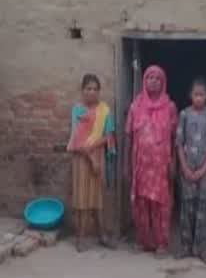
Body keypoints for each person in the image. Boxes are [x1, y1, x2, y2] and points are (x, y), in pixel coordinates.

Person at [126, 65, 178, 258]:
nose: (153, 81)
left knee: (160, 205)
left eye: (157, 78)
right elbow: (129, 137)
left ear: (163, 82)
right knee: (140, 204)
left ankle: (161, 244)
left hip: (160, 166)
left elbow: (174, 138)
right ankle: (143, 241)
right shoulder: (136, 105)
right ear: (144, 81)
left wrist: (173, 163)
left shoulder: (170, 107)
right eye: (150, 78)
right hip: (140, 165)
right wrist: (126, 166)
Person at [67, 74, 116, 252]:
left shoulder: (105, 110)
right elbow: (76, 139)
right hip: (81, 158)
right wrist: (91, 157)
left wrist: (95, 147)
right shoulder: (77, 110)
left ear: (99, 91)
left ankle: (102, 235)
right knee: (81, 199)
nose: (92, 92)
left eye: (95, 89)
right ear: (82, 90)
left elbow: (109, 136)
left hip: (99, 157)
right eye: (88, 88)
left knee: (97, 198)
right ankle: (80, 238)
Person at [175, 78, 206, 264]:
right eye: (195, 94)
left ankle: (201, 248)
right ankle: (186, 247)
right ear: (190, 95)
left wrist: (202, 170)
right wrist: (184, 167)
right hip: (187, 169)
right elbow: (179, 143)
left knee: (203, 208)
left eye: (202, 94)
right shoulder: (184, 114)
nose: (199, 98)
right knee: (187, 208)